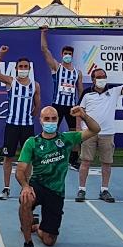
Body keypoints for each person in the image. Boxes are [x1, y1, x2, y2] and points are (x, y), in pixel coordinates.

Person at [16, 105, 99, 247]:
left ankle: (36, 226)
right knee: (25, 199)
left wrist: (84, 116)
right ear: (40, 121)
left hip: (56, 191)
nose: (50, 122)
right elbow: (20, 170)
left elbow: (95, 130)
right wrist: (26, 187)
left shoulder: (67, 139)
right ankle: (28, 243)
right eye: (46, 119)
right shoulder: (32, 142)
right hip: (37, 185)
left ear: (58, 120)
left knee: (49, 241)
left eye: (53, 119)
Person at [0, 46, 41, 200]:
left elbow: (37, 106)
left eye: (26, 67)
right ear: (16, 69)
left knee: (28, 158)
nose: (23, 69)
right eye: (21, 67)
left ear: (29, 69)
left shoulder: (35, 85)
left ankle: (27, 186)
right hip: (12, 125)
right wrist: (1, 54)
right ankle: (6, 188)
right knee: (8, 157)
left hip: (27, 126)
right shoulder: (11, 81)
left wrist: (29, 117)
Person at [75, 61, 123, 203]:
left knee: (106, 163)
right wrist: (78, 130)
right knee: (85, 162)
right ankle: (82, 189)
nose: (101, 79)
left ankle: (104, 190)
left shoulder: (113, 90)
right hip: (88, 133)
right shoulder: (87, 93)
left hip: (107, 133)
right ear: (93, 79)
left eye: (103, 76)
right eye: (98, 77)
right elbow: (79, 111)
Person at [39, 25, 83, 168]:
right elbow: (45, 50)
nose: (67, 55)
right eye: (65, 53)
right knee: (50, 130)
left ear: (72, 55)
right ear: (62, 54)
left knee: (75, 133)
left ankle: (73, 159)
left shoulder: (77, 72)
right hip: (57, 104)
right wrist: (43, 33)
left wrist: (81, 108)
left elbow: (81, 91)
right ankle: (48, 155)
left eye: (69, 53)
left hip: (71, 107)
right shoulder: (57, 67)